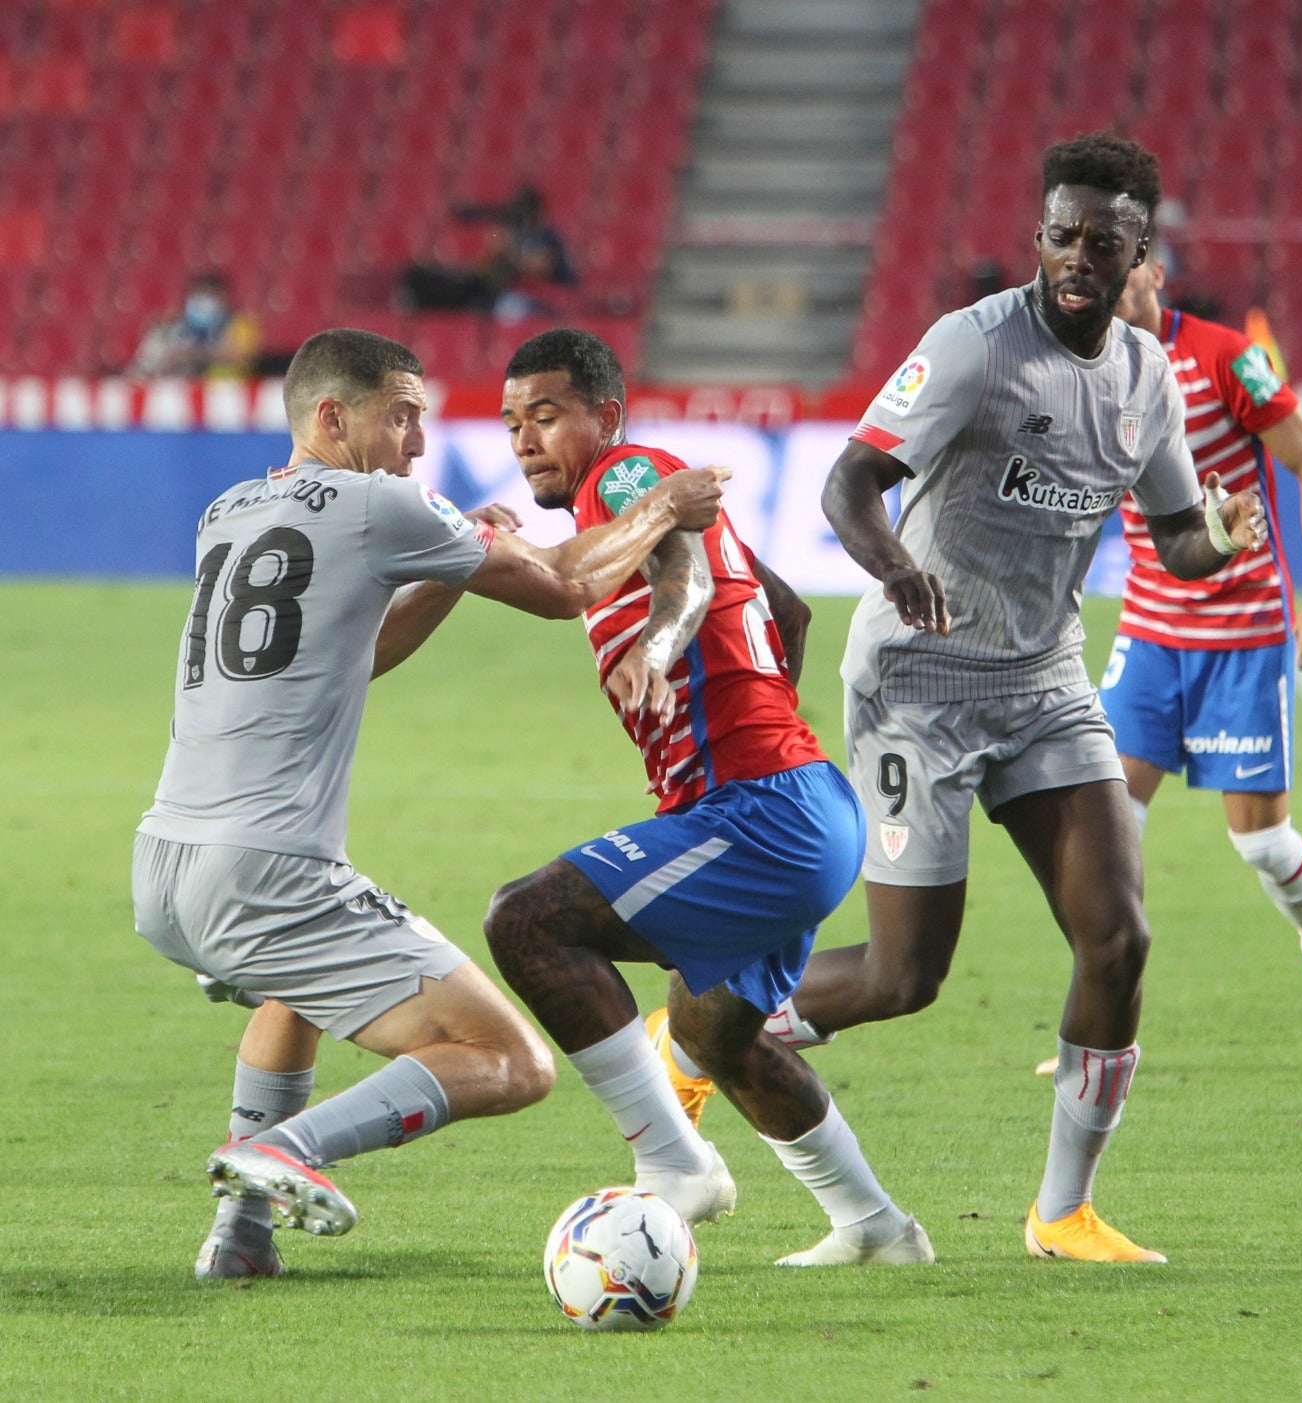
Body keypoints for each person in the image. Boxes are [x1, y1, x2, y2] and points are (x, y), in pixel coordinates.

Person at [657, 133, 1267, 1264]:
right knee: (905, 976)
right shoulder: (975, 346)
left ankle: (1063, 1210)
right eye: (1058, 233)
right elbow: (849, 483)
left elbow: (1177, 538)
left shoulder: (1145, 378)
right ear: (1040, 231)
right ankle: (702, 1021)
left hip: (1042, 682)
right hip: (919, 687)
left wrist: (1216, 533)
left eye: (1101, 239)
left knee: (1118, 937)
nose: (1075, 256)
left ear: (1142, 248)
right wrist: (897, 569)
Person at [131, 327, 726, 1280]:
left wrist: (457, 563)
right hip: (267, 868)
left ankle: (239, 1239)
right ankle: (287, 1150)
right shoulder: (380, 505)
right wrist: (663, 502)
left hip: (163, 864)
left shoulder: (228, 509)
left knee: (306, 984)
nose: (419, 441)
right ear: (332, 416)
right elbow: (571, 582)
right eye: (400, 415)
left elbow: (351, 658)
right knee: (510, 1061)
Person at [482, 329, 932, 1268]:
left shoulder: (624, 475)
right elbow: (789, 609)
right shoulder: (627, 514)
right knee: (712, 1030)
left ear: (603, 415)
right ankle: (876, 1227)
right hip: (800, 801)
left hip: (758, 811)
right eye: (514, 421)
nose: (527, 438)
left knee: (527, 921)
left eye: (548, 415)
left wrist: (660, 643)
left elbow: (681, 584)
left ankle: (673, 1163)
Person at [1043, 248, 1302, 1059]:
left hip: (1241, 634)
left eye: (1127, 278)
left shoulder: (1229, 358)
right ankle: (1094, 1022)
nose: (1117, 297)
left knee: (1259, 840)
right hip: (1151, 630)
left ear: (1152, 271)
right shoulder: (1089, 371)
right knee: (1108, 831)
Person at [400, 185, 577, 318]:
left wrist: (508, 250)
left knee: (498, 306)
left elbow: (542, 266)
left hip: (542, 299)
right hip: (502, 292)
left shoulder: (548, 235)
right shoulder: (516, 229)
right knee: (437, 283)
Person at [129, 271, 261, 378]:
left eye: (207, 295)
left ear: (222, 296)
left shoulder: (240, 324)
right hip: (190, 393)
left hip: (230, 393)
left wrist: (195, 354)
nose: (201, 303)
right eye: (198, 295)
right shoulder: (180, 325)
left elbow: (242, 355)